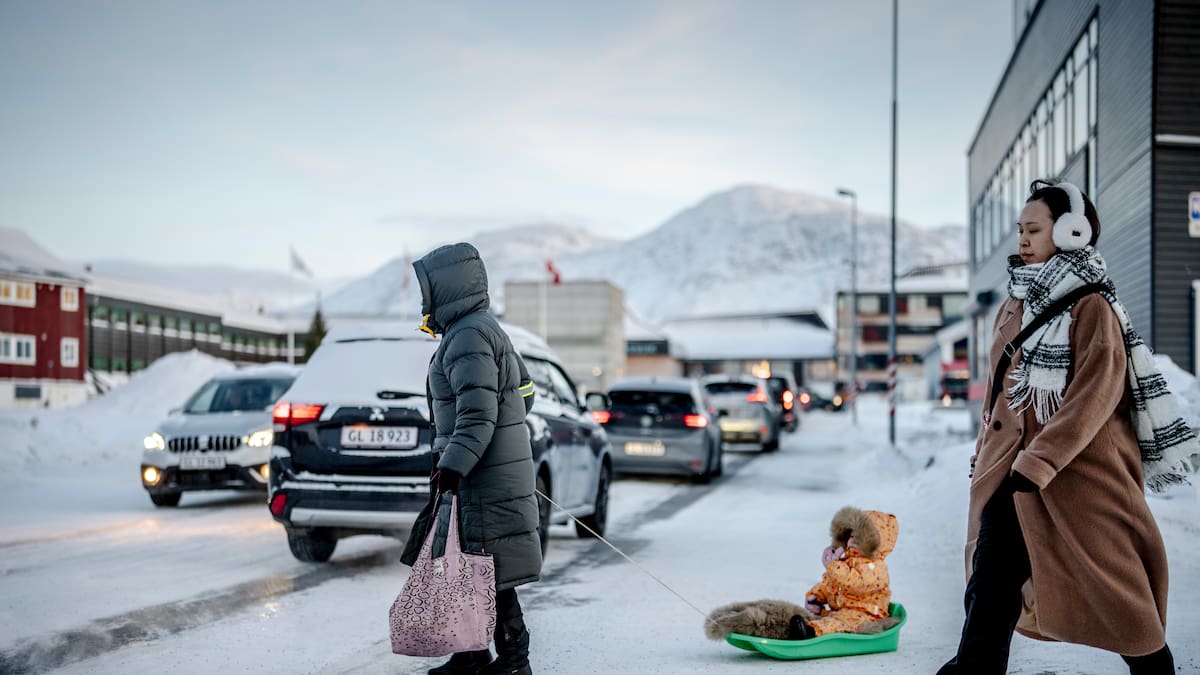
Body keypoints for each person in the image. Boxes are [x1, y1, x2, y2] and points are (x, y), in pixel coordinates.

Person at [940, 180, 1197, 674]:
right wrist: (986, 451)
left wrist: (1041, 460)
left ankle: (1154, 669)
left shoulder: (1091, 306)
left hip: (1081, 477)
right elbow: (1000, 390)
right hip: (1012, 471)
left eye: (1034, 229)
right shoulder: (1014, 302)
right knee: (991, 579)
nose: (1022, 239)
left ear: (1071, 231)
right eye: (1020, 229)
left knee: (1116, 589)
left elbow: (1094, 394)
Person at [402, 242, 542, 675]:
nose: (424, 299)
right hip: (491, 472)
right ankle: (471, 657)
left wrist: (454, 464)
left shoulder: (467, 335)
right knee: (472, 570)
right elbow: (525, 393)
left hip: (482, 477)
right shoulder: (484, 329)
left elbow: (478, 413)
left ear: (446, 287)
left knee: (488, 572)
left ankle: (515, 664)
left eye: (427, 288)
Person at [786, 507, 898, 640]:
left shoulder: (876, 567)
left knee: (838, 623)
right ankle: (797, 626)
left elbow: (853, 582)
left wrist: (833, 566)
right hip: (841, 612)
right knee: (831, 618)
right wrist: (817, 595)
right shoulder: (845, 562)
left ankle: (810, 632)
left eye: (862, 537)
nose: (855, 539)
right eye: (852, 535)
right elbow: (833, 585)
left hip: (866, 615)